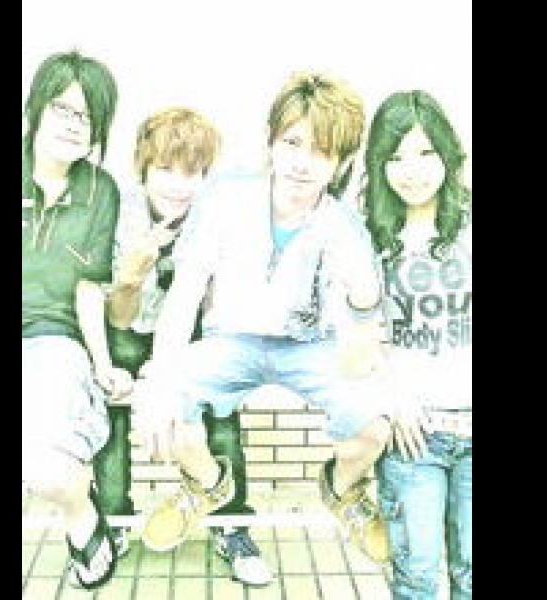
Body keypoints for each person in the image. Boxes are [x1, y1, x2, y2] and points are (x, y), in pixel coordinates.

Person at [132, 72, 393, 564]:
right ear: (271, 141)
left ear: (340, 163)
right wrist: (161, 381)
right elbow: (185, 293)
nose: (302, 163)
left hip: (311, 347)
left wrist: (360, 289)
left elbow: (364, 324)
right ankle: (206, 484)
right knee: (158, 408)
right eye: (292, 143)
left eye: (321, 152)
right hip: (231, 340)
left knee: (374, 427)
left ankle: (344, 491)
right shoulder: (226, 197)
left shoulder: (342, 223)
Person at [103, 107, 272, 586]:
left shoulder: (216, 213)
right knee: (113, 418)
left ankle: (231, 525)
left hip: (195, 331)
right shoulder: (120, 212)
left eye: (192, 173)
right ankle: (112, 522)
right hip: (131, 330)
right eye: (165, 169)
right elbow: (119, 317)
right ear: (143, 167)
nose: (179, 186)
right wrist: (131, 276)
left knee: (222, 416)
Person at [22, 50, 131, 591]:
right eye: (62, 109)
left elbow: (89, 288)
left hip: (53, 337)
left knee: (47, 469)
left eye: (86, 117)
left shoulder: (99, 190)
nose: (72, 124)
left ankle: (80, 512)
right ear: (36, 108)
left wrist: (103, 363)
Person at [362, 90, 472, 599]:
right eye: (397, 156)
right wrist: (392, 399)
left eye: (426, 153)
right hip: (414, 436)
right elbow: (359, 334)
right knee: (419, 576)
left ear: (447, 154)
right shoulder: (372, 236)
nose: (413, 170)